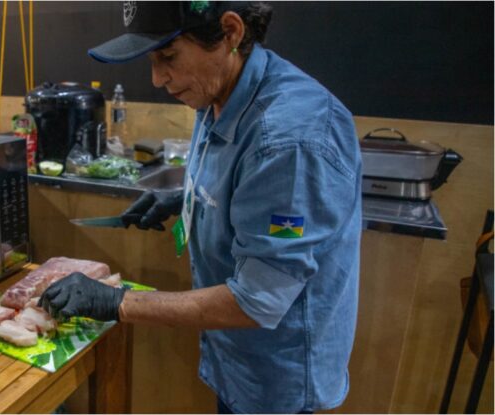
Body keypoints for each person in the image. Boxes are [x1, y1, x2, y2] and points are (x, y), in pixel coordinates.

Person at [39, 2, 363, 413]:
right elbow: (242, 189)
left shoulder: (288, 138)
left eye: (168, 57)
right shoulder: (217, 91)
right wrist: (185, 199)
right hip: (234, 357)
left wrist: (115, 302)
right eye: (152, 61)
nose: (157, 79)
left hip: (277, 378)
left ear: (230, 32)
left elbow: (259, 299)